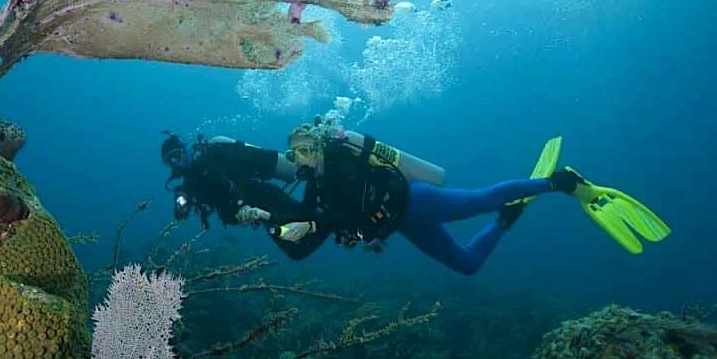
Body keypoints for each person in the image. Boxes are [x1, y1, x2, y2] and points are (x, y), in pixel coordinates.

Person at [264, 120, 671, 273]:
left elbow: (354, 201)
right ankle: (505, 221)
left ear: (317, 146)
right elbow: (345, 216)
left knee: (484, 197)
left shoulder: (341, 162)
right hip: (404, 224)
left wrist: (325, 222)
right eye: (294, 153)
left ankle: (561, 182)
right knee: (467, 265)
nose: (298, 159)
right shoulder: (316, 183)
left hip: (417, 201)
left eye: (303, 149)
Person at [159, 131, 330, 260]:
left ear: (186, 150)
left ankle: (333, 212)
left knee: (303, 227)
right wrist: (182, 205)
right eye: (169, 160)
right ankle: (330, 217)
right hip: (258, 212)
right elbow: (182, 213)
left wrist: (241, 205)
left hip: (266, 198)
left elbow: (229, 182)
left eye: (177, 155)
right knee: (296, 249)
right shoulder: (189, 185)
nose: (175, 161)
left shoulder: (211, 159)